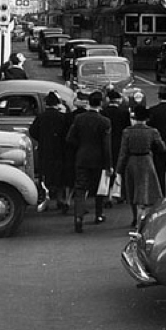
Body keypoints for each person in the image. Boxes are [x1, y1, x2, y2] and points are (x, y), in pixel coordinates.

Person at [65, 90, 112, 233]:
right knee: (99, 189)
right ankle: (99, 214)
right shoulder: (105, 121)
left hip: (82, 156)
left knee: (80, 188)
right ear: (101, 103)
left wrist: (80, 146)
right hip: (98, 159)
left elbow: (69, 138)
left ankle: (78, 217)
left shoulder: (79, 119)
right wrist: (109, 164)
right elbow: (106, 146)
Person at [117, 104, 164, 229]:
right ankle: (141, 219)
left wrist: (119, 169)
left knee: (132, 192)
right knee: (145, 191)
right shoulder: (152, 131)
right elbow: (162, 147)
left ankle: (135, 217)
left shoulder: (127, 131)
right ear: (146, 118)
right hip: (146, 161)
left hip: (131, 162)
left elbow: (123, 152)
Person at [29, 91, 72, 214]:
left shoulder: (41, 117)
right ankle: (59, 199)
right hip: (59, 150)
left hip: (45, 149)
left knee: (45, 176)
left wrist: (41, 139)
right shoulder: (62, 117)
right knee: (59, 177)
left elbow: (32, 131)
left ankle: (45, 198)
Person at [101, 89, 131, 206]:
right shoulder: (124, 113)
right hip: (119, 143)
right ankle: (116, 193)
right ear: (118, 100)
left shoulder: (103, 112)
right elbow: (127, 129)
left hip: (106, 143)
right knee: (119, 169)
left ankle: (105, 193)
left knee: (107, 168)